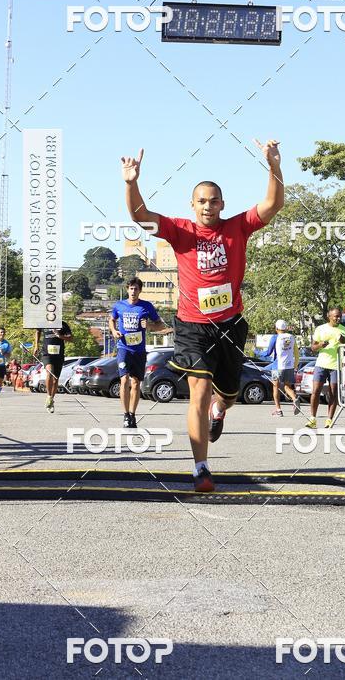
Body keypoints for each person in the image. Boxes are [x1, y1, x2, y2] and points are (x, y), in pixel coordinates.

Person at [122, 139, 284, 493]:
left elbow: (273, 205)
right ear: (192, 205)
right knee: (198, 391)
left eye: (213, 201)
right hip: (193, 325)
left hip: (230, 324)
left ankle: (220, 410)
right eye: (201, 201)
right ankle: (201, 468)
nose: (207, 206)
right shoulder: (181, 230)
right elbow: (139, 216)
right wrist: (131, 182)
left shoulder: (237, 227)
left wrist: (274, 167)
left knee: (227, 394)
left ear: (222, 204)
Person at [109, 277, 171, 428]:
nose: (133, 291)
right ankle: (125, 415)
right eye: (131, 288)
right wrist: (114, 331)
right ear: (127, 290)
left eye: (136, 289)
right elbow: (112, 320)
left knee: (136, 383)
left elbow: (160, 325)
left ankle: (132, 414)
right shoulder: (119, 306)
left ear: (140, 291)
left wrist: (148, 324)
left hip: (139, 350)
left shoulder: (146, 306)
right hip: (124, 348)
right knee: (124, 380)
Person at [307, 307, 345, 429]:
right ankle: (312, 419)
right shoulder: (320, 329)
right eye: (335, 316)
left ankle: (329, 420)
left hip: (336, 366)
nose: (338, 318)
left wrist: (343, 342)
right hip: (321, 364)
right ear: (329, 316)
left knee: (333, 393)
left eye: (339, 316)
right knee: (316, 391)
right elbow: (313, 348)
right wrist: (320, 345)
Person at [34, 320, 73, 413]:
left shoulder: (63, 324)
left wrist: (60, 336)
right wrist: (36, 345)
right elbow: (37, 331)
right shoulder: (43, 323)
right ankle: (48, 395)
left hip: (58, 355)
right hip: (47, 354)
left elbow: (71, 338)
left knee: (55, 379)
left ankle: (51, 399)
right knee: (49, 372)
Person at [265, 319, 301, 417]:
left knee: (275, 387)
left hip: (277, 367)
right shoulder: (291, 337)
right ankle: (294, 398)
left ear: (276, 328)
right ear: (285, 328)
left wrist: (257, 352)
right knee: (287, 387)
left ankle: (278, 410)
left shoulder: (275, 337)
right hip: (289, 366)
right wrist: (295, 365)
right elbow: (297, 353)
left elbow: (268, 353)